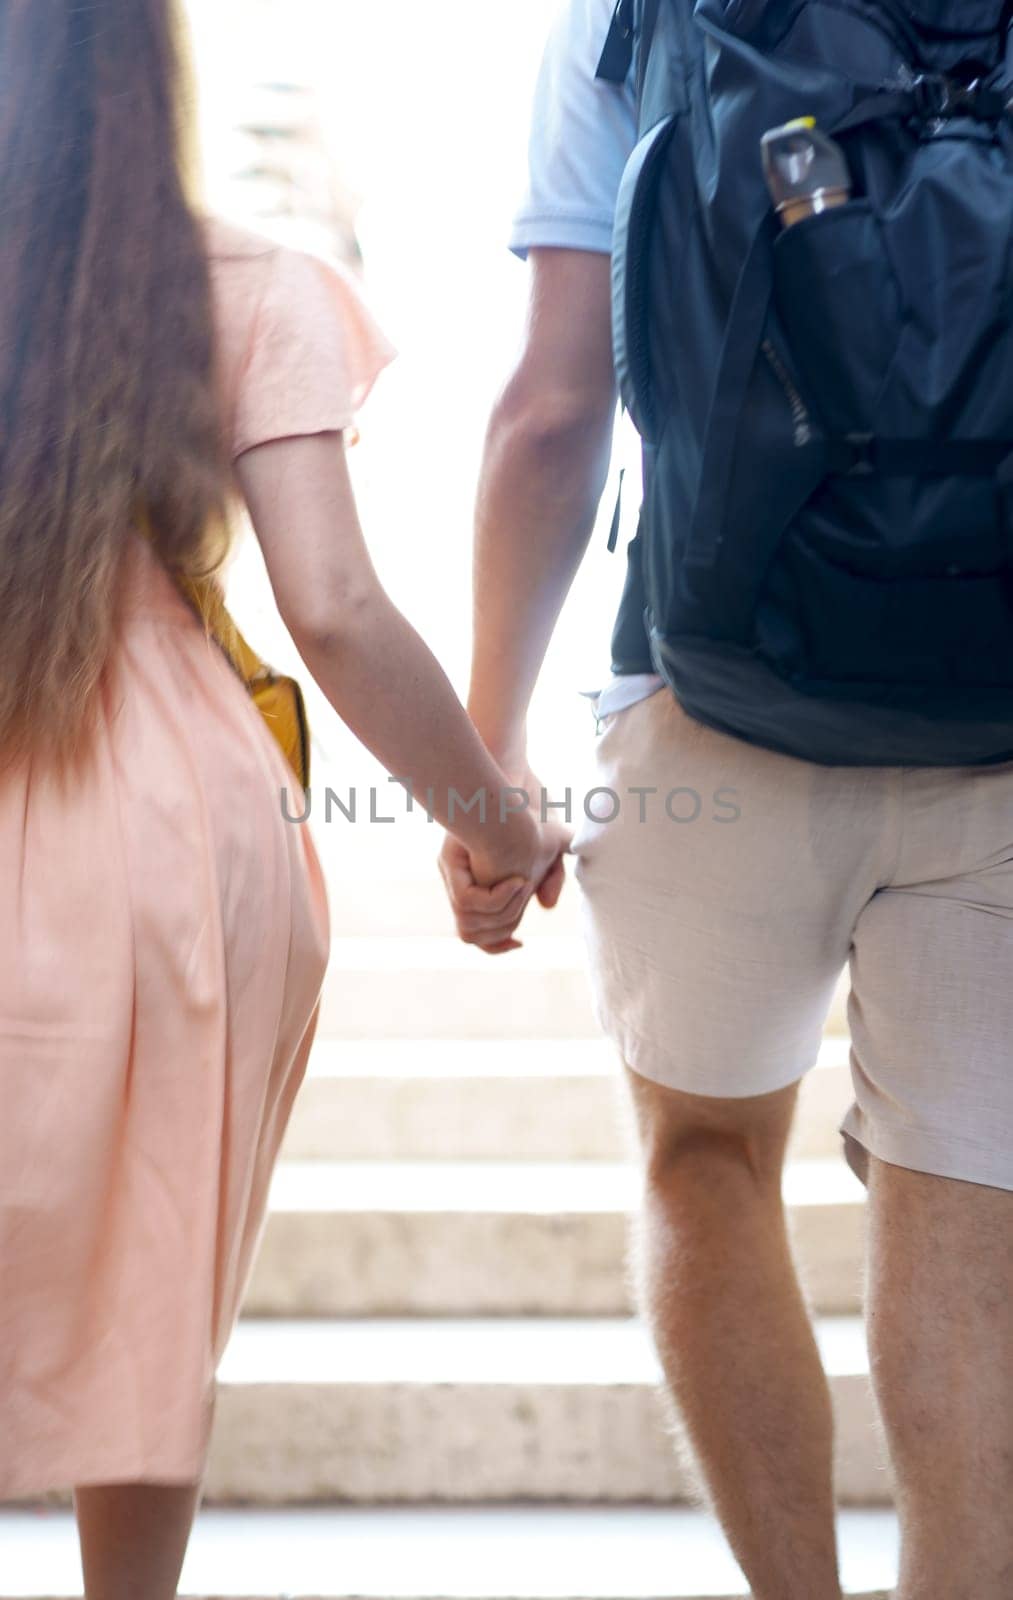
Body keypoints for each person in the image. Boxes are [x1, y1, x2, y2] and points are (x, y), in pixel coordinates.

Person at [440, 3, 1013, 1597]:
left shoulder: (633, 17)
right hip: (1000, 719)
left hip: (711, 691)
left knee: (703, 1158)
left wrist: (487, 766)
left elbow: (552, 408)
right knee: (973, 1217)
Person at [0, 3, 564, 1594]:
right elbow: (335, 609)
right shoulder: (245, 287)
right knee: (149, 1269)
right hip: (171, 834)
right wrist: (499, 826)